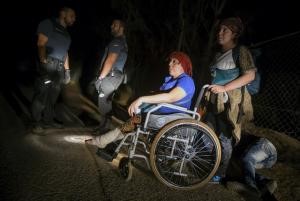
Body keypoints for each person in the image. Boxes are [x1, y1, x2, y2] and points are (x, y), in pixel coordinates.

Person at [86, 51, 195, 153]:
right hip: (159, 114)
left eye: (174, 62)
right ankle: (102, 141)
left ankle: (101, 141)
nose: (170, 64)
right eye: (170, 61)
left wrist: (141, 99)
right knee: (130, 123)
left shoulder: (187, 81)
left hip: (167, 117)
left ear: (183, 65)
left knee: (132, 122)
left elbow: (171, 97)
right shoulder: (173, 80)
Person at [203, 17, 256, 183]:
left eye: (225, 30)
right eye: (219, 29)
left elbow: (250, 75)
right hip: (214, 101)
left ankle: (221, 173)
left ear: (234, 33)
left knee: (225, 138)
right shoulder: (218, 54)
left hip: (230, 104)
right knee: (207, 134)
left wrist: (225, 88)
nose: (220, 33)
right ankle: (208, 165)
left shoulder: (240, 51)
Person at [31, 7, 76, 133]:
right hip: (49, 63)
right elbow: (41, 43)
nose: (74, 19)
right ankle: (36, 122)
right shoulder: (48, 23)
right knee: (42, 94)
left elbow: (65, 53)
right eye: (72, 15)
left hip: (60, 67)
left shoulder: (67, 34)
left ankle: (48, 120)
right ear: (63, 14)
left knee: (53, 96)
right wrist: (43, 62)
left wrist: (67, 71)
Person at [94, 19, 128, 133]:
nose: (112, 26)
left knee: (103, 102)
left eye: (115, 25)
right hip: (115, 76)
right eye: (112, 24)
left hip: (111, 76)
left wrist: (100, 78)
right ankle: (103, 127)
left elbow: (110, 60)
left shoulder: (117, 41)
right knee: (106, 103)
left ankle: (104, 129)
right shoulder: (122, 41)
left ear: (121, 28)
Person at [226, 133, 278, 197]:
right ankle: (265, 182)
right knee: (244, 169)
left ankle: (251, 187)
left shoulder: (230, 137)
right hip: (266, 156)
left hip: (265, 146)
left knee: (247, 159)